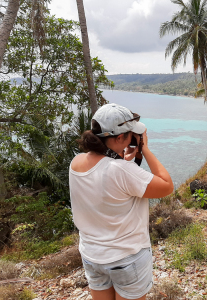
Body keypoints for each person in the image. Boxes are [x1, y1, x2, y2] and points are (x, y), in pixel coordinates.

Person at [69, 103, 173, 300]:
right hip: (126, 259)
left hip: (92, 256)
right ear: (119, 138)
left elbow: (107, 181)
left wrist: (122, 158)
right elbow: (167, 186)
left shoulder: (76, 163)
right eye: (131, 134)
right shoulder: (123, 170)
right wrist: (146, 150)